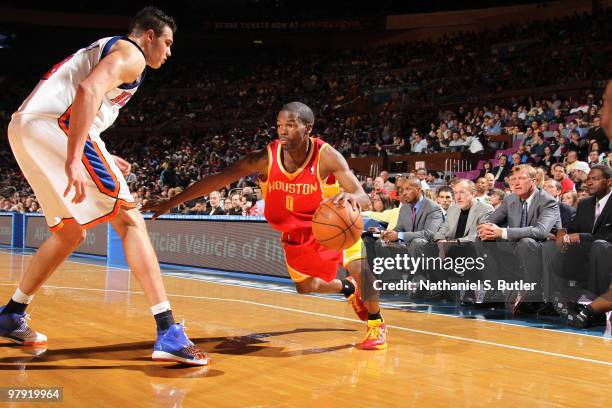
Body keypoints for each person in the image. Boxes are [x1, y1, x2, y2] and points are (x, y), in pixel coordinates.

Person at [1, 7, 207, 365]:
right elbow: (88, 89)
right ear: (148, 36)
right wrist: (75, 153)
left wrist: (101, 151)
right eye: (167, 42)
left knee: (69, 233)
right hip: (56, 127)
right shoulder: (132, 55)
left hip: (24, 126)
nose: (169, 52)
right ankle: (168, 331)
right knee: (130, 221)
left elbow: (80, 96)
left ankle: (11, 313)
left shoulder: (104, 49)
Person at [144, 102, 387, 350]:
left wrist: (351, 198)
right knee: (306, 287)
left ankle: (376, 324)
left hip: (334, 224)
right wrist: (171, 202)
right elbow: (218, 180)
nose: (282, 131)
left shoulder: (326, 156)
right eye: (279, 125)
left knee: (359, 267)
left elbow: (363, 196)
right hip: (296, 233)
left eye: (290, 126)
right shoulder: (265, 159)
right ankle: (347, 288)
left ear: (308, 128)